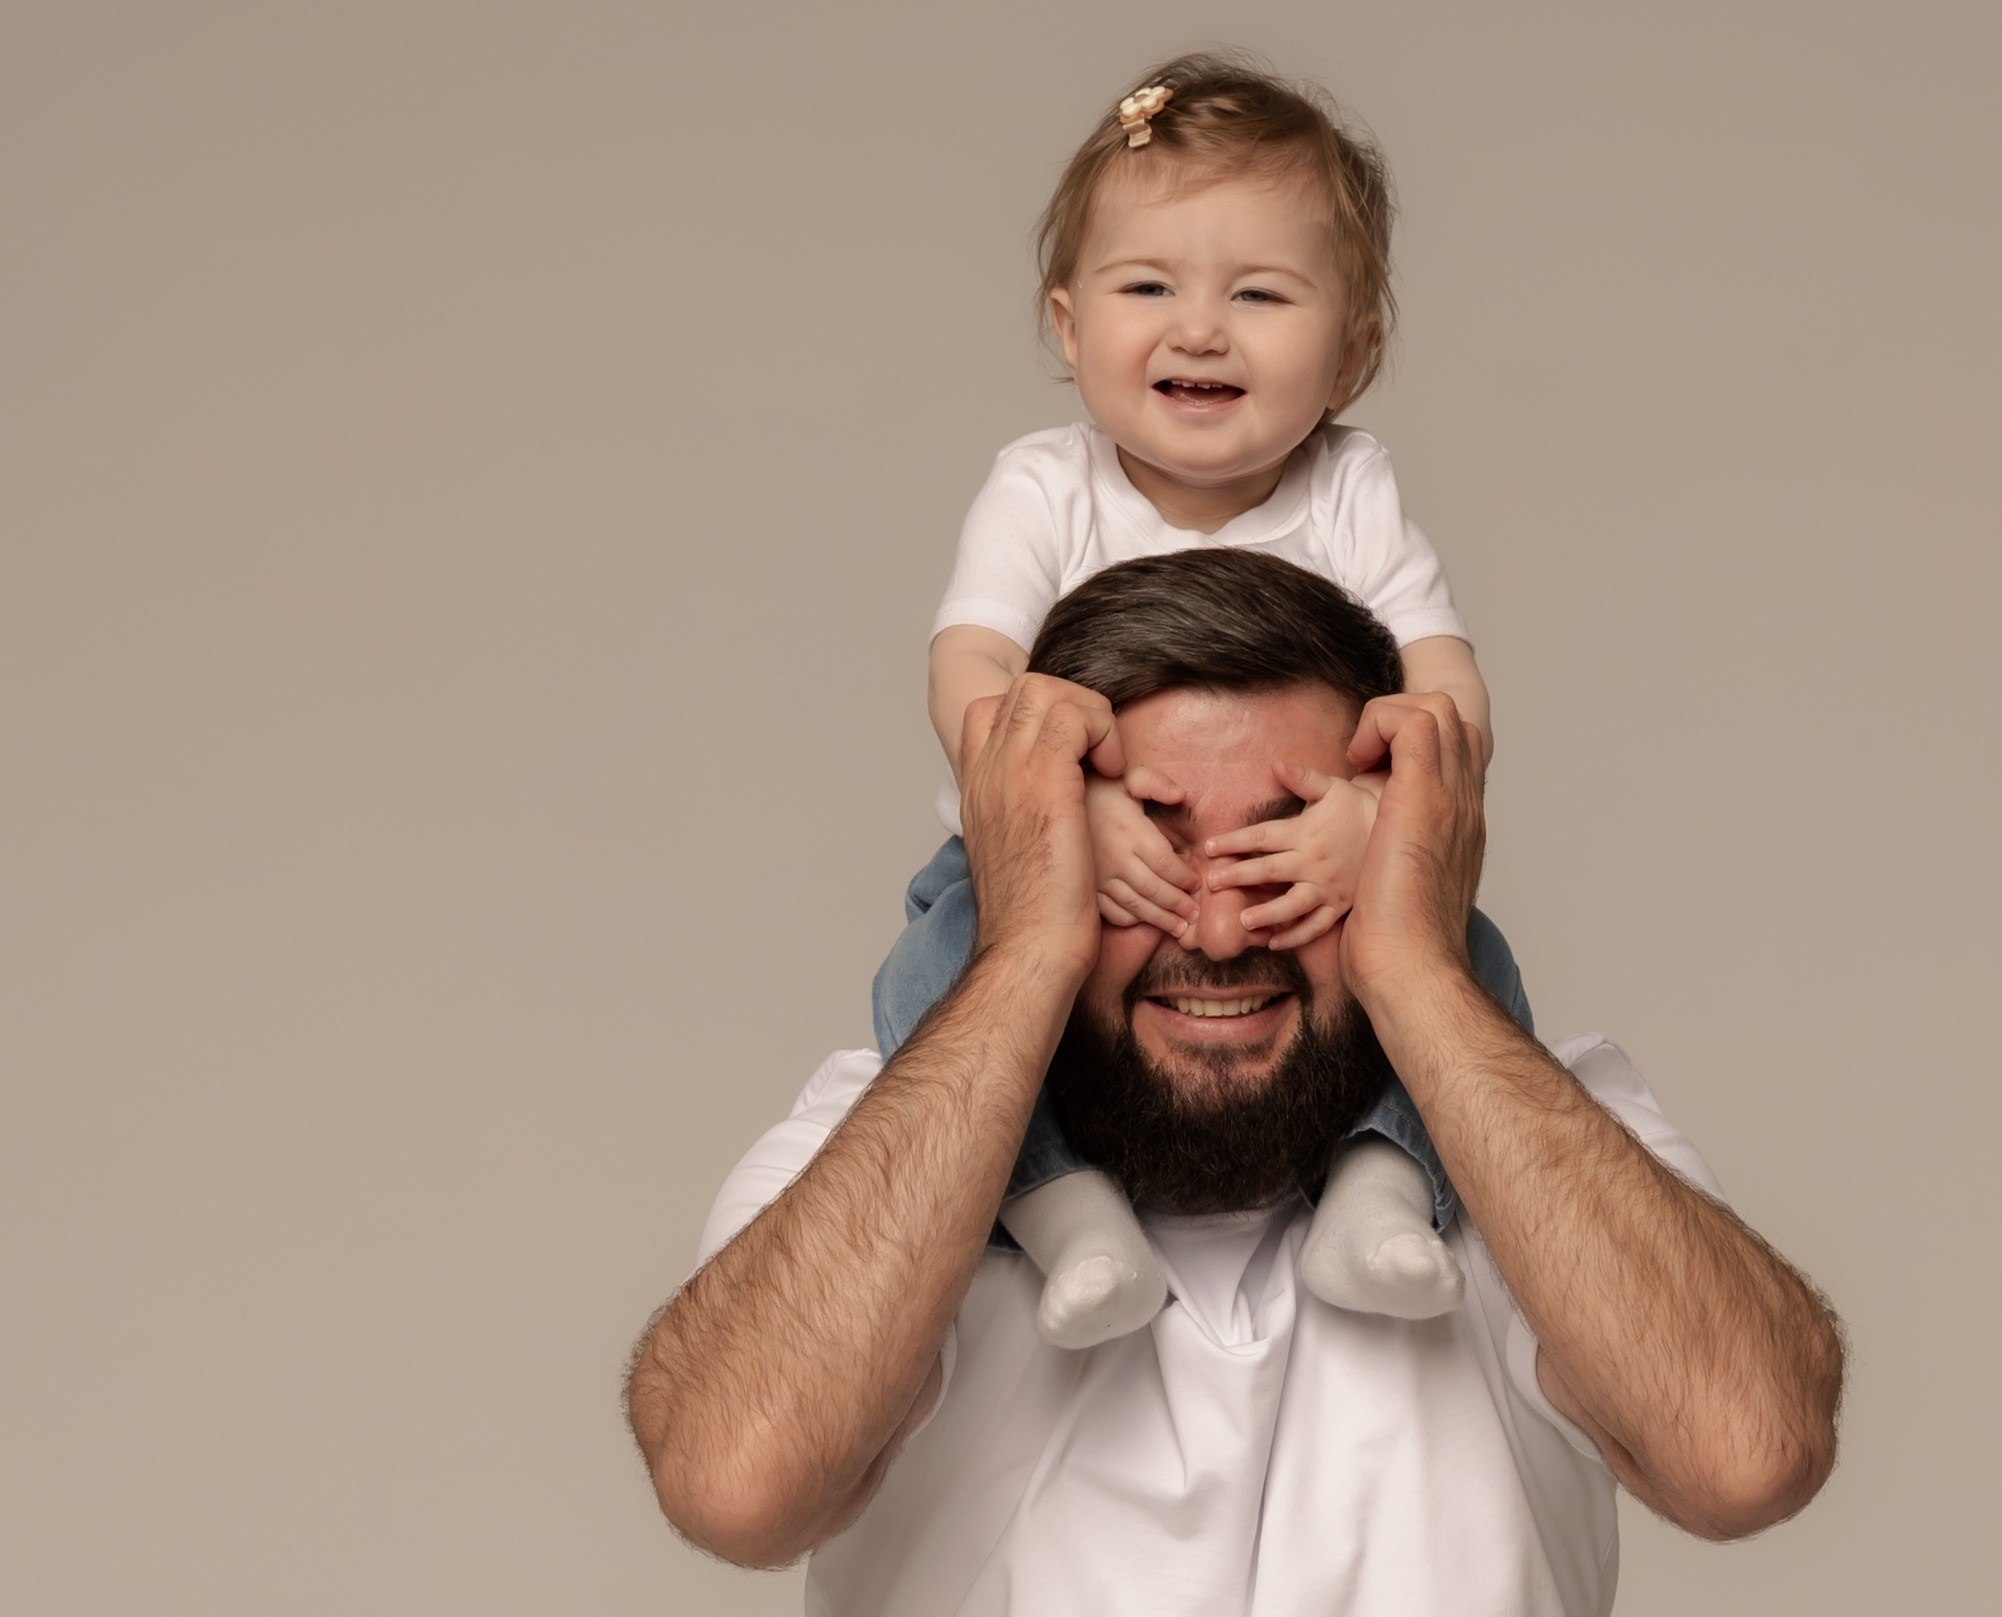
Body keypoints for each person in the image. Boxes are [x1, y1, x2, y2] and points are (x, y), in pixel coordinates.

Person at [624, 550, 1845, 1617]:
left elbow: (1743, 1454)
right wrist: (1026, 947)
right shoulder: (883, 1131)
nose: (1214, 928)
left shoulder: (1543, 1125)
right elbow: (740, 1485)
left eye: (1287, 851)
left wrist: (1417, 963)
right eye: (1146, 853)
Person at [885, 52, 1523, 1351]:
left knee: (1472, 962)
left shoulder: (1352, 494)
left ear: (1353, 350)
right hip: (1055, 852)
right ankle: (1061, 1208)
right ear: (1067, 328)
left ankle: (1381, 1184)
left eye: (1258, 293)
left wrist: (1375, 814)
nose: (1199, 328)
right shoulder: (1047, 489)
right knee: (932, 974)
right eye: (1148, 286)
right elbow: (967, 666)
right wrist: (1057, 809)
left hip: (1303, 865)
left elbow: (1445, 692)